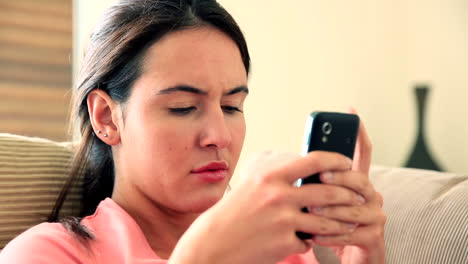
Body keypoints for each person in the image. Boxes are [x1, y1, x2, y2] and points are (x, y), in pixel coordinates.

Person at [0, 0, 386, 263]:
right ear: (106, 117)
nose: (219, 135)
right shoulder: (45, 254)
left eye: (232, 106)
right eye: (183, 107)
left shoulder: (281, 247)